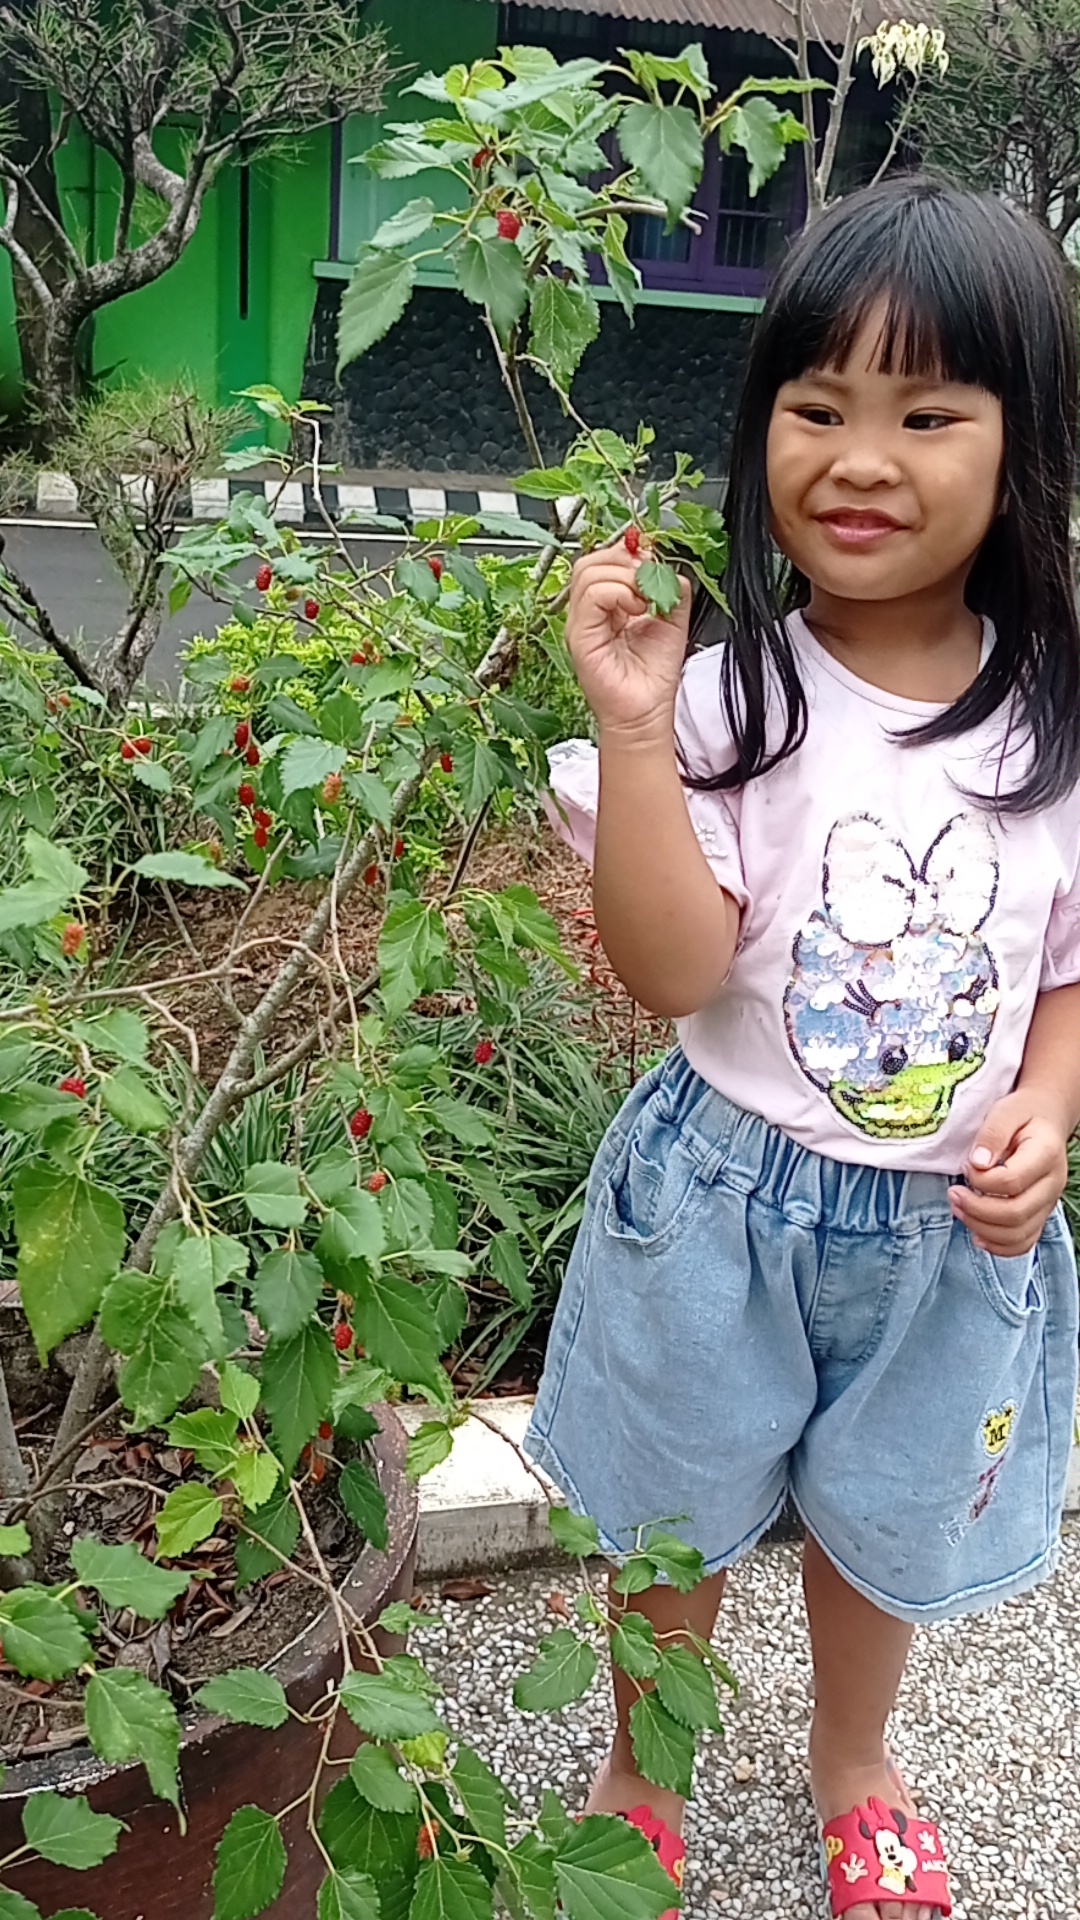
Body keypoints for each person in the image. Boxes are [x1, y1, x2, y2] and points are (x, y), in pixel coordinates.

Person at [522, 173, 1080, 1920]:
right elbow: (667, 969)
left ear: (1025, 445)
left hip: (951, 1240)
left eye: (928, 415)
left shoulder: (1054, 723)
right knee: (671, 1517)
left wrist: (1049, 1107)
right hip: (721, 1204)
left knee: (891, 1522)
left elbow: (1067, 967)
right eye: (818, 406)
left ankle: (855, 1759)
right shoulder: (732, 700)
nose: (861, 458)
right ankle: (643, 1768)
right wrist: (635, 734)